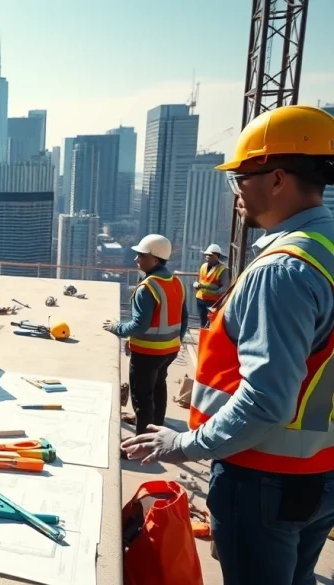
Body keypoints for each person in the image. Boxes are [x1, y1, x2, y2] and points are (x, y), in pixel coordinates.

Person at [121, 105, 334, 585]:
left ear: (277, 179)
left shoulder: (283, 269)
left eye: (242, 177)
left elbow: (265, 401)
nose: (237, 191)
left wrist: (185, 444)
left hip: (263, 477)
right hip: (320, 473)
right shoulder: (328, 250)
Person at [102, 234, 188, 437]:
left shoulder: (147, 288)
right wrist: (176, 341)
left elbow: (139, 325)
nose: (136, 259)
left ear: (155, 259)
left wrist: (117, 328)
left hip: (148, 353)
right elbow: (183, 318)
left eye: (141, 255)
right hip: (170, 351)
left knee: (142, 397)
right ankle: (158, 432)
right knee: (159, 389)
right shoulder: (176, 283)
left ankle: (141, 441)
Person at [193, 243, 229, 328]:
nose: (207, 257)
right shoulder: (203, 266)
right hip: (200, 298)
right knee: (202, 320)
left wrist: (214, 291)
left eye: (210, 255)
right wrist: (197, 285)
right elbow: (202, 280)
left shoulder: (223, 270)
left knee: (211, 323)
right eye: (206, 255)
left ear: (217, 256)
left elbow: (224, 287)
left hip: (213, 301)